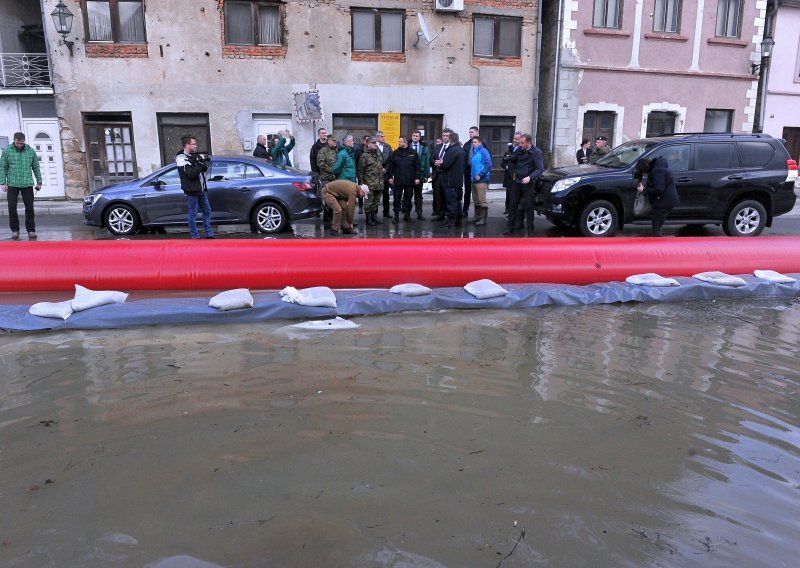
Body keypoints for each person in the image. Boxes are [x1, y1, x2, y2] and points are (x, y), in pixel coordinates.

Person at [0, 132, 42, 240]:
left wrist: (39, 182)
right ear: (14, 140)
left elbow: (36, 167)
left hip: (27, 183)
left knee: (29, 208)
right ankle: (15, 230)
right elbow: (3, 167)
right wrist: (3, 183)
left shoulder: (30, 151)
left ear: (24, 141)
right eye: (18, 143)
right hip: (12, 184)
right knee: (12, 207)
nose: (19, 145)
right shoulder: (7, 151)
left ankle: (31, 230)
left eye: (21, 143)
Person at [503, 133, 543, 237]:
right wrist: (508, 157)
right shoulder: (519, 150)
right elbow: (513, 159)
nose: (520, 144)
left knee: (529, 206)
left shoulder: (536, 152)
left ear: (528, 142)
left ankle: (530, 230)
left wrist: (530, 177)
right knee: (513, 205)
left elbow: (539, 169)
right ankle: (509, 228)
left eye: (522, 143)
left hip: (528, 182)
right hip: (517, 181)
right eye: (519, 142)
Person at [176, 134, 214, 239]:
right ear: (187, 145)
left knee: (207, 210)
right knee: (193, 213)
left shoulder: (193, 156)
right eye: (194, 144)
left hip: (201, 189)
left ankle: (209, 233)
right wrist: (199, 162)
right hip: (191, 190)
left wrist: (200, 160)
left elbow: (204, 168)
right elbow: (191, 174)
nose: (196, 146)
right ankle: (195, 235)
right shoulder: (181, 159)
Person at [636, 156, 680, 236]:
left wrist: (644, 190)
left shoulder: (657, 171)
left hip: (663, 202)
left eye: (643, 172)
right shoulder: (659, 168)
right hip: (665, 201)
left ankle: (657, 246)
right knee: (657, 226)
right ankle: (657, 244)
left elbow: (659, 189)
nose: (644, 174)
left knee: (656, 228)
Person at [385, 136, 420, 224]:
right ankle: (396, 217)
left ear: (405, 142)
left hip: (410, 180)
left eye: (400, 142)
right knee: (396, 199)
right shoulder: (395, 153)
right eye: (399, 142)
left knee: (408, 199)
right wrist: (390, 177)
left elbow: (417, 167)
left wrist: (417, 178)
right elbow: (391, 166)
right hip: (398, 180)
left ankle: (407, 216)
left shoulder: (413, 153)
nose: (399, 143)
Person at [436, 131, 465, 227]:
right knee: (457, 200)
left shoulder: (451, 150)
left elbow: (446, 164)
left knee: (451, 201)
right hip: (458, 180)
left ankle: (451, 220)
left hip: (449, 180)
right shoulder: (460, 150)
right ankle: (459, 220)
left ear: (450, 139)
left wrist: (440, 164)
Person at [357, 137, 384, 226]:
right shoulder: (365, 156)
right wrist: (361, 184)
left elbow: (380, 166)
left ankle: (374, 217)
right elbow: (360, 170)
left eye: (375, 142)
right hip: (369, 184)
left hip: (379, 183)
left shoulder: (378, 154)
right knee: (369, 202)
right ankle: (368, 219)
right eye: (373, 143)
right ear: (368, 144)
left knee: (376, 201)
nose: (375, 144)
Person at [469, 136, 492, 226]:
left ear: (479, 142)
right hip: (474, 179)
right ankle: (477, 216)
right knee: (476, 199)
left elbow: (488, 164)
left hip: (481, 179)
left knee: (482, 199)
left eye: (475, 142)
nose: (473, 144)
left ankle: (483, 219)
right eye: (473, 142)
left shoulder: (483, 151)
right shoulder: (475, 152)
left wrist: (481, 174)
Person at [430, 129, 453, 221]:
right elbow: (431, 159)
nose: (445, 137)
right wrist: (435, 162)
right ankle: (440, 214)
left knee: (447, 195)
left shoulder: (452, 147)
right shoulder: (438, 147)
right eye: (444, 135)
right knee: (438, 195)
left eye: (447, 135)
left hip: (447, 175)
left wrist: (443, 163)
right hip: (437, 174)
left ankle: (449, 214)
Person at [410, 130, 430, 220]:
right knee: (408, 195)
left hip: (420, 175)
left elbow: (427, 162)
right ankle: (406, 213)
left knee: (418, 196)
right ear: (412, 136)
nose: (415, 137)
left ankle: (419, 213)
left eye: (417, 136)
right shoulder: (408, 146)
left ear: (419, 137)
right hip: (409, 175)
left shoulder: (424, 148)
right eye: (414, 135)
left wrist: (427, 175)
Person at [502, 132, 522, 216]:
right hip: (509, 175)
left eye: (517, 139)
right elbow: (503, 162)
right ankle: (508, 209)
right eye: (514, 138)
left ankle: (514, 213)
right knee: (508, 193)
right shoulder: (508, 151)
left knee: (514, 195)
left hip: (516, 176)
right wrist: (506, 166)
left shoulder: (520, 151)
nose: (514, 140)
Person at [462, 126, 479, 220]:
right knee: (467, 192)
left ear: (477, 133)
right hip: (468, 171)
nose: (470, 134)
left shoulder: (482, 144)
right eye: (469, 132)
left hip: (477, 172)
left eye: (472, 132)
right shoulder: (467, 144)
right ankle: (465, 211)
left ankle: (478, 214)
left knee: (477, 194)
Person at [375, 131, 393, 219]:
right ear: (377, 137)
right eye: (382, 136)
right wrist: (380, 168)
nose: (383, 138)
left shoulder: (388, 146)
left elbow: (391, 160)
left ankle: (386, 212)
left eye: (384, 136)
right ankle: (374, 213)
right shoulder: (374, 146)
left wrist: (385, 169)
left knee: (386, 195)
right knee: (376, 195)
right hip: (376, 176)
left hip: (386, 175)